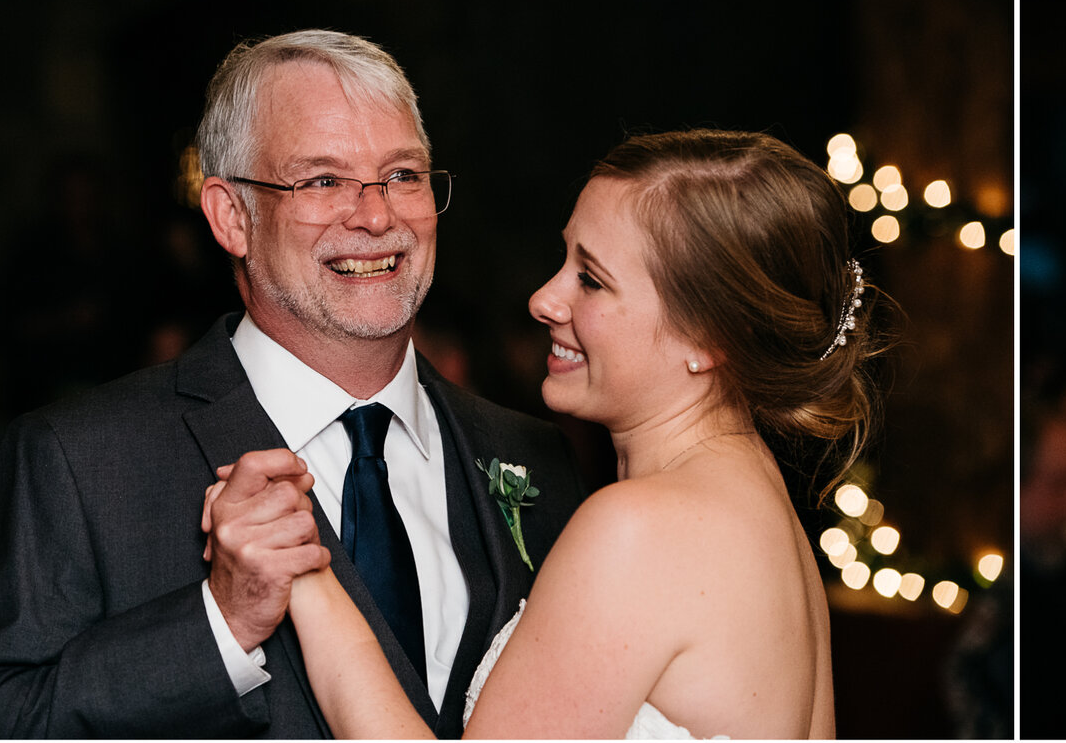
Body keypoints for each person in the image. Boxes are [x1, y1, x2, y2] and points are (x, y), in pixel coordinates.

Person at [0, 29, 589, 738]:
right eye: (323, 180)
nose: (376, 215)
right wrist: (219, 624)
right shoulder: (83, 459)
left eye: (402, 175)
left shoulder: (532, 455)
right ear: (232, 215)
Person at [260, 130, 870, 738]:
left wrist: (310, 578)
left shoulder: (641, 530)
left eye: (593, 280)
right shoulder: (764, 514)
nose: (544, 299)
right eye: (566, 261)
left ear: (707, 339)